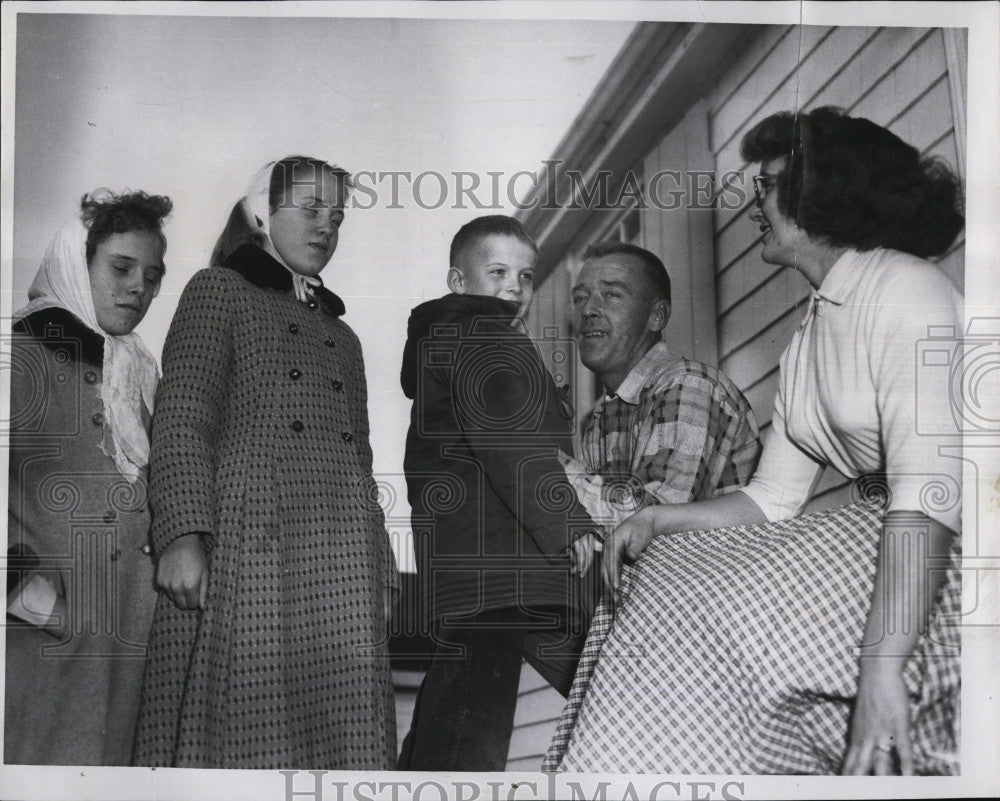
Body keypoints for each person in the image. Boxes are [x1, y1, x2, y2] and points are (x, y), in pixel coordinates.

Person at [545, 107, 964, 775]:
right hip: (887, 533)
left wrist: (883, 669)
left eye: (766, 186)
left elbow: (931, 493)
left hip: (951, 548)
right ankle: (644, 770)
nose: (754, 206)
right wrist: (659, 518)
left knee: (698, 599)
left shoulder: (905, 289)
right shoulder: (812, 332)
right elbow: (773, 499)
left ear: (822, 193)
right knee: (668, 569)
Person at [131, 157, 397, 769]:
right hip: (251, 547)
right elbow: (182, 420)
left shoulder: (343, 336)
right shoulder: (218, 289)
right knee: (249, 739)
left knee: (340, 744)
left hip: (341, 560)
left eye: (337, 216)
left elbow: (361, 460)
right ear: (260, 212)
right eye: (309, 209)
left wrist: (380, 570)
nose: (326, 227)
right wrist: (182, 534)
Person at [397, 215, 601, 771]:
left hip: (486, 572)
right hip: (498, 575)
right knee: (467, 734)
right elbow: (511, 444)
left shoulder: (452, 342)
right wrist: (568, 521)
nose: (515, 286)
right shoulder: (482, 337)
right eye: (498, 272)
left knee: (458, 712)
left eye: (527, 275)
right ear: (458, 283)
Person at [5, 189, 172, 765]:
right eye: (121, 268)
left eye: (152, 275)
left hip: (130, 638)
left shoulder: (141, 369)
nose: (139, 288)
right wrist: (29, 599)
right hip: (49, 636)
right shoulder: (20, 355)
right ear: (80, 261)